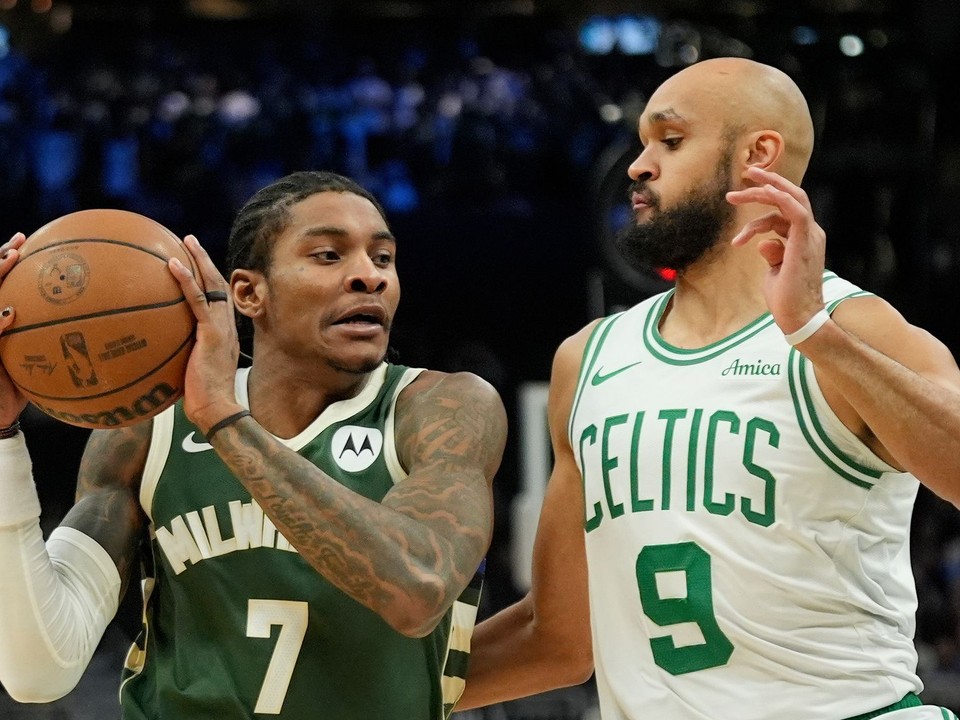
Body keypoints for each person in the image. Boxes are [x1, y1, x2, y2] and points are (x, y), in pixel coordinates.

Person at [456, 57, 960, 720]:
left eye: (669, 140)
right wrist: (369, 687)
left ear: (758, 155)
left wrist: (813, 331)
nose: (638, 165)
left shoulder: (851, 328)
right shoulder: (587, 361)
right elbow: (557, 636)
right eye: (642, 143)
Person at [0, 170, 507, 719]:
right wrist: (1, 440)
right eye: (329, 256)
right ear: (247, 292)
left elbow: (416, 591)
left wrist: (223, 417)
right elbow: (38, 670)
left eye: (382, 258)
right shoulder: (149, 428)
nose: (369, 277)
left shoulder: (441, 408)